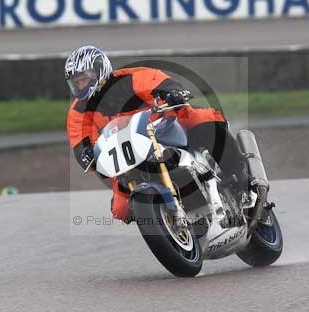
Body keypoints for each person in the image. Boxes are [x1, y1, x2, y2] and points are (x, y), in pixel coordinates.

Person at [65, 45, 251, 222]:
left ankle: (239, 175)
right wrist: (85, 153)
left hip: (162, 129)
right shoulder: (78, 111)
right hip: (126, 158)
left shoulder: (130, 78)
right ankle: (165, 222)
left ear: (100, 70)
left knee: (204, 120)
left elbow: (160, 82)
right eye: (77, 82)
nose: (81, 85)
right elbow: (80, 143)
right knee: (120, 209)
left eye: (85, 79)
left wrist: (172, 93)